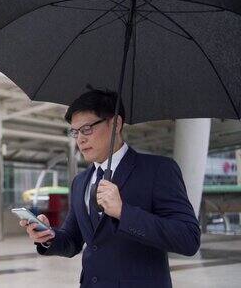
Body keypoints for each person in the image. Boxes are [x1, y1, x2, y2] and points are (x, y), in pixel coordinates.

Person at [20, 89, 200, 288]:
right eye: (75, 132)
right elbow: (72, 240)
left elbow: (188, 238)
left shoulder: (158, 170)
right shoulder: (80, 182)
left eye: (87, 129)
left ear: (116, 124)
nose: (80, 139)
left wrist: (123, 212)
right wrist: (48, 237)